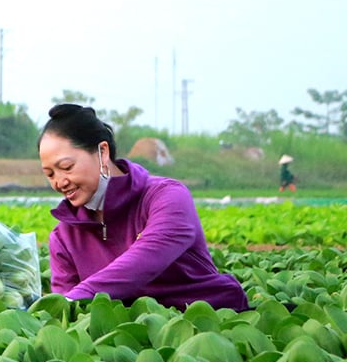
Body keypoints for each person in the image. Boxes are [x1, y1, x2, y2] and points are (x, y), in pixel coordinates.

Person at [38, 103, 248, 311]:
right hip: (128, 340)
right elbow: (66, 314)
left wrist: (73, 298)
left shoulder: (167, 196)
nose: (59, 182)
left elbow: (144, 261)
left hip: (215, 323)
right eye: (50, 174)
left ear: (102, 152)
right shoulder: (63, 236)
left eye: (66, 167)